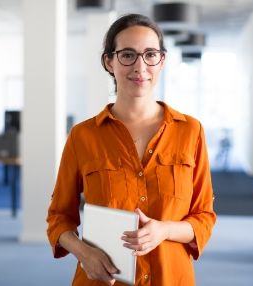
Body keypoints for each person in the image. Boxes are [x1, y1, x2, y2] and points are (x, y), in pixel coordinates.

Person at [46, 13, 216, 286]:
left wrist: (165, 230)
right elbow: (59, 218)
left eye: (150, 54)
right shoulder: (83, 136)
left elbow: (204, 217)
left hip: (171, 278)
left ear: (162, 61)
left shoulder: (190, 131)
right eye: (127, 55)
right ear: (109, 62)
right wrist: (83, 253)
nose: (140, 67)